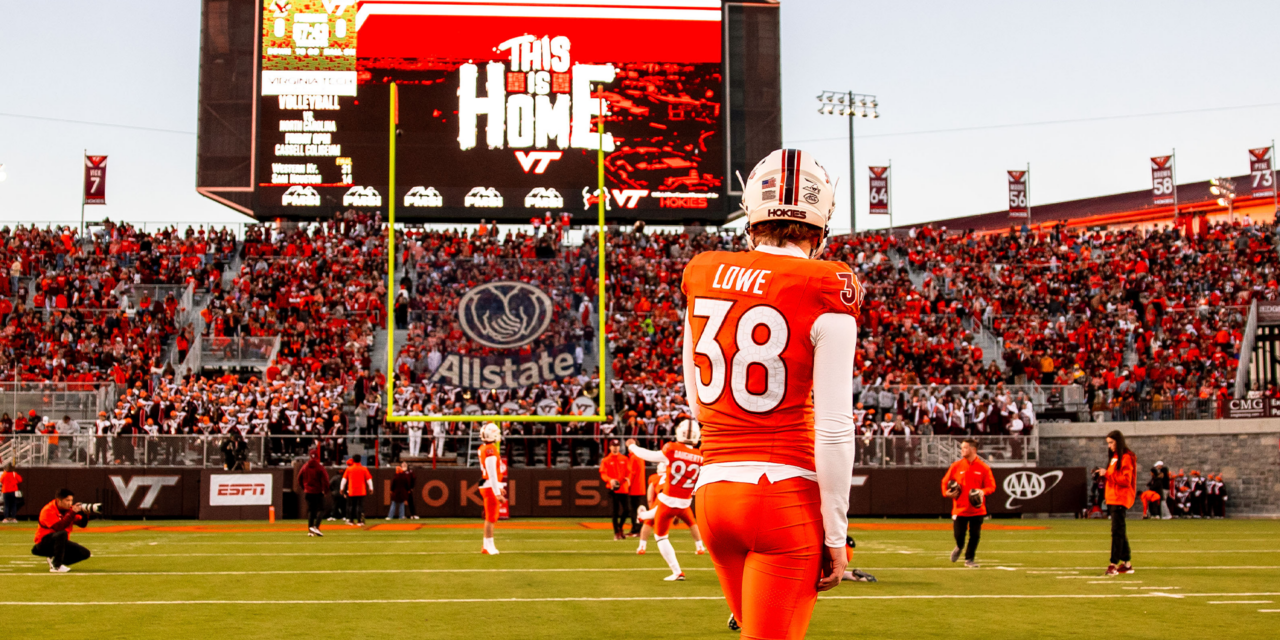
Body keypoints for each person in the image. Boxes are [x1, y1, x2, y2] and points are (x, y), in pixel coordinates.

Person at [682, 149, 861, 638]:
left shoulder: (702, 271)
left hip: (714, 492)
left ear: (751, 216)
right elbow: (834, 426)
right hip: (781, 496)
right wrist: (837, 533)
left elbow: (695, 393)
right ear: (821, 224)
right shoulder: (827, 282)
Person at [628, 420, 708, 581]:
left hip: (667, 501)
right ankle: (643, 516)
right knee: (656, 515)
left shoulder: (672, 449)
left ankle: (677, 571)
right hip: (685, 503)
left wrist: (632, 446)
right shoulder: (701, 456)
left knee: (661, 536)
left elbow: (648, 455)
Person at [941, 438, 996, 567]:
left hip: (977, 508)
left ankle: (969, 559)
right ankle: (959, 546)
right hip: (960, 509)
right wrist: (946, 493)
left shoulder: (984, 467)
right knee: (959, 535)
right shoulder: (956, 466)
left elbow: (991, 486)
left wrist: (982, 492)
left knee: (975, 535)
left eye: (965, 448)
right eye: (962, 448)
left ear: (973, 449)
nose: (962, 450)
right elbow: (944, 482)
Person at [1100, 429, 1136, 576]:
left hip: (1120, 498)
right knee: (1120, 531)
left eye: (1111, 442)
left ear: (1118, 442)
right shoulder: (1116, 456)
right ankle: (1127, 564)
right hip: (1114, 497)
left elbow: (1126, 480)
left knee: (1117, 532)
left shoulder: (1126, 457)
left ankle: (1113, 564)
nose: (1109, 446)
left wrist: (1107, 473)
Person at [31, 488, 91, 572]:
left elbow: (82, 524)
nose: (70, 503)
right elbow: (59, 527)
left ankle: (56, 561)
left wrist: (85, 514)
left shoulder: (69, 510)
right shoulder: (48, 510)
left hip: (60, 543)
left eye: (71, 500)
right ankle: (56, 566)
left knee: (85, 553)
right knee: (62, 533)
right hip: (43, 544)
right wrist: (72, 513)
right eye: (67, 500)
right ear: (59, 500)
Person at [478, 423, 507, 554]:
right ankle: (489, 546)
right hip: (489, 486)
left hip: (488, 484)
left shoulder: (484, 447)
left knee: (490, 517)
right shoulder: (490, 449)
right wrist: (497, 492)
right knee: (491, 517)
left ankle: (486, 545)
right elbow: (492, 473)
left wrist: (499, 487)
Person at [599, 439, 631, 540]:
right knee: (615, 512)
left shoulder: (624, 459)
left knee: (627, 510)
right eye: (613, 446)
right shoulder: (606, 460)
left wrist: (628, 478)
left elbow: (629, 471)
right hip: (613, 488)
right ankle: (616, 532)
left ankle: (620, 527)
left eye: (617, 445)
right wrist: (610, 480)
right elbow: (603, 473)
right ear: (610, 447)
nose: (615, 447)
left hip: (623, 487)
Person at [298, 449, 330, 537]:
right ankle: (316, 526)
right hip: (317, 491)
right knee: (321, 509)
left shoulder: (305, 466)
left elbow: (299, 477)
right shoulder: (319, 467)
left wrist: (304, 487)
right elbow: (326, 479)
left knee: (311, 511)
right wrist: (325, 490)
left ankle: (310, 530)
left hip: (308, 491)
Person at [341, 454, 373, 526]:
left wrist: (341, 488)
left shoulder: (349, 469)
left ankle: (351, 520)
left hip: (352, 490)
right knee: (359, 506)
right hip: (361, 490)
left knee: (351, 506)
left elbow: (344, 479)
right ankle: (359, 521)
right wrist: (371, 488)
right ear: (360, 460)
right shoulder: (364, 469)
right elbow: (369, 479)